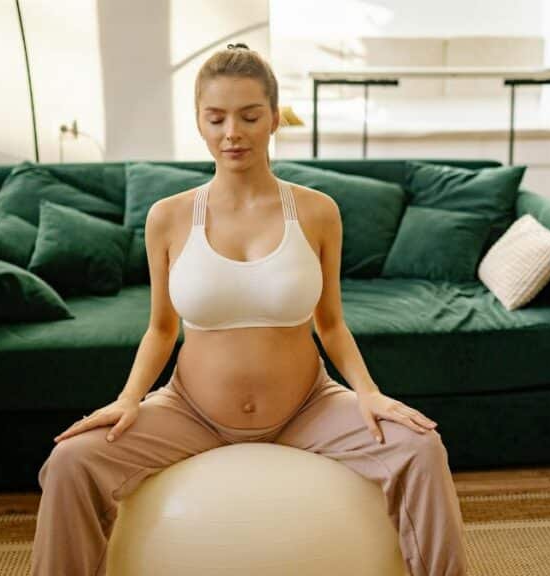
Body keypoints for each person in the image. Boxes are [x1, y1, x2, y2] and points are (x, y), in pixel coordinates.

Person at [30, 43, 468, 576]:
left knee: (422, 448)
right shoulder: (167, 218)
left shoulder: (317, 211)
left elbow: (330, 323)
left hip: (309, 406)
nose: (231, 132)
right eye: (215, 118)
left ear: (273, 118)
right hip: (190, 411)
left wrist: (368, 393)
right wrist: (128, 400)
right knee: (71, 461)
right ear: (199, 122)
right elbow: (161, 329)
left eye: (248, 115)